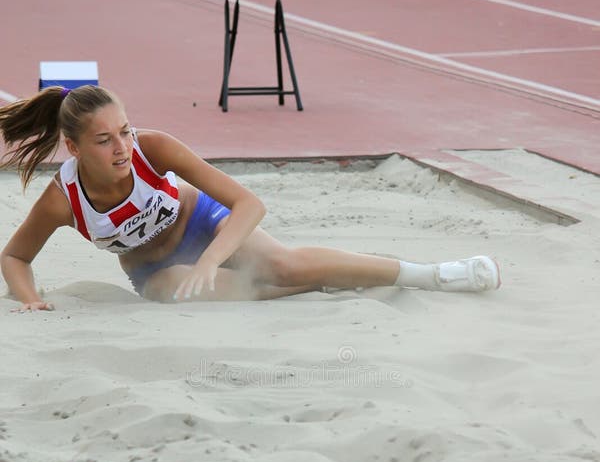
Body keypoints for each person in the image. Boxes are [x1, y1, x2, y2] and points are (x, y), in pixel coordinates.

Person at [0, 85, 500, 312]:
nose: (122, 148)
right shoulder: (63, 199)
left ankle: (431, 274)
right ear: (74, 148)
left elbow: (249, 204)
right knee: (226, 291)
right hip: (153, 271)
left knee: (281, 265)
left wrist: (211, 258)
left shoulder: (155, 148)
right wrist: (30, 300)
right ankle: (327, 282)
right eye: (104, 140)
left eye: (125, 131)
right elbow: (15, 256)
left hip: (205, 224)